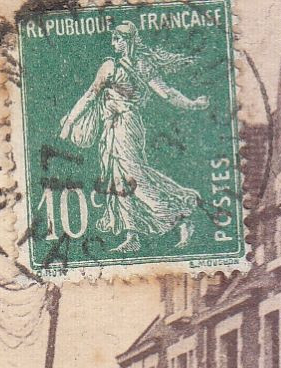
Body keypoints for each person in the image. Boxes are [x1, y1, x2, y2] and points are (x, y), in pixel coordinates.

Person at [57, 21, 209, 253]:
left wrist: (193, 105)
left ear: (127, 40)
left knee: (136, 178)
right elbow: (89, 96)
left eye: (117, 39)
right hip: (110, 129)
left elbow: (166, 93)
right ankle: (132, 236)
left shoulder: (142, 66)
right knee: (118, 181)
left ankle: (181, 213)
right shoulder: (109, 66)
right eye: (112, 39)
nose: (113, 43)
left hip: (128, 127)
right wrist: (69, 121)